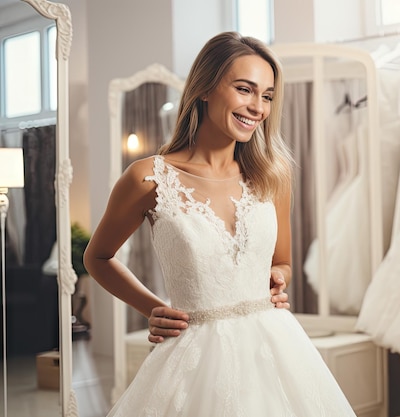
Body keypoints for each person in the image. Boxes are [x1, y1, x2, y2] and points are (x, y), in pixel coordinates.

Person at [83, 31, 357, 416]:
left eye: (267, 96)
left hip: (275, 352)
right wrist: (152, 308)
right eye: (245, 89)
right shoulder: (147, 178)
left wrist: (278, 278)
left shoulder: (271, 175)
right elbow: (97, 257)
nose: (257, 107)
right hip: (193, 363)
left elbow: (282, 262)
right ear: (206, 88)